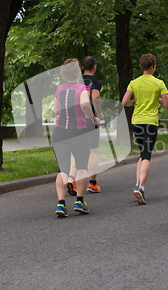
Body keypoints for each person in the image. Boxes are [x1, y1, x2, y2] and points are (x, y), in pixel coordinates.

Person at [121, 53, 168, 204]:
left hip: (136, 121)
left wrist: (136, 101)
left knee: (142, 154)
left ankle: (137, 184)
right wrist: (158, 99)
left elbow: (124, 101)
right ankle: (141, 187)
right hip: (151, 122)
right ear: (153, 66)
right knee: (147, 154)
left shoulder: (133, 83)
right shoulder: (159, 83)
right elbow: (167, 105)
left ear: (142, 66)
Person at [52, 58, 98, 217]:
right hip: (77, 132)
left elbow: (55, 111)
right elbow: (85, 105)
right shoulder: (82, 88)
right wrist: (93, 118)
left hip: (59, 132)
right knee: (81, 167)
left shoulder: (59, 89)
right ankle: (79, 201)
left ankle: (61, 204)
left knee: (63, 169)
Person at [66, 56, 104, 195]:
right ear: (94, 66)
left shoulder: (75, 80)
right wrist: (98, 114)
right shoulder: (95, 82)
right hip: (89, 118)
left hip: (75, 118)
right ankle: (92, 184)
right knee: (93, 151)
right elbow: (95, 97)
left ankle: (71, 178)